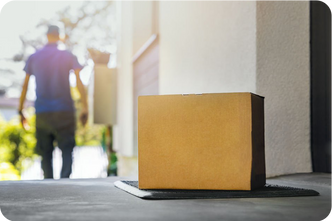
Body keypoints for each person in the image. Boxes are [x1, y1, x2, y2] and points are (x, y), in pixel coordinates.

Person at [18, 25, 88, 179]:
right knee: (67, 150)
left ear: (47, 36)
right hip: (65, 111)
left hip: (43, 112)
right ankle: (65, 184)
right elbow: (79, 82)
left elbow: (25, 85)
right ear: (59, 36)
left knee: (46, 153)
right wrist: (85, 107)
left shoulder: (34, 57)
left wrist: (21, 110)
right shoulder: (68, 55)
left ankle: (48, 187)